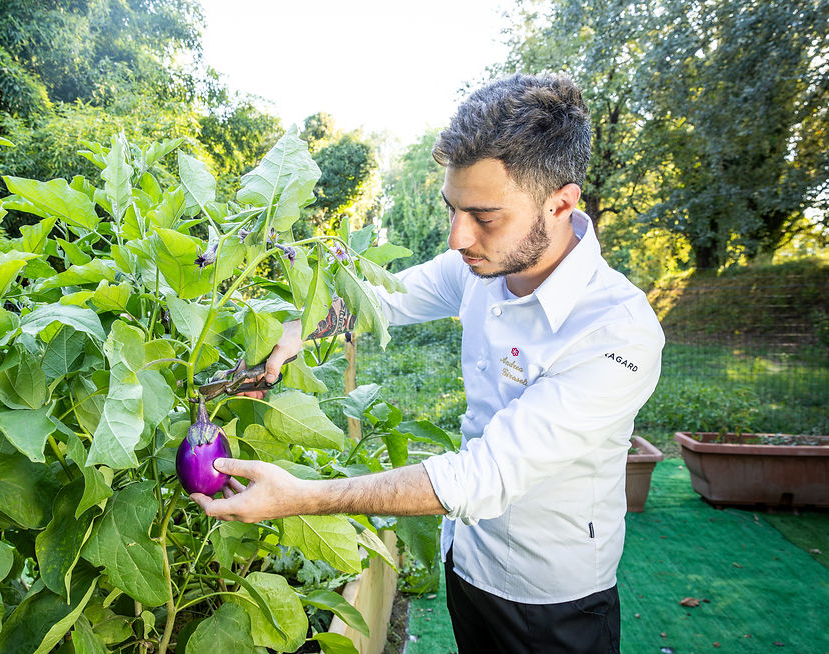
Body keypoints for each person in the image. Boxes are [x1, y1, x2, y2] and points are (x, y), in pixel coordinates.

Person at [191, 72, 665, 654]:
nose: (458, 236)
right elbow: (382, 297)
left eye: (484, 216)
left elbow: (485, 475)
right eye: (452, 208)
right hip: (468, 563)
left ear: (561, 202)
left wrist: (307, 497)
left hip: (554, 600)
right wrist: (296, 330)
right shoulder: (480, 267)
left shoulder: (616, 329)